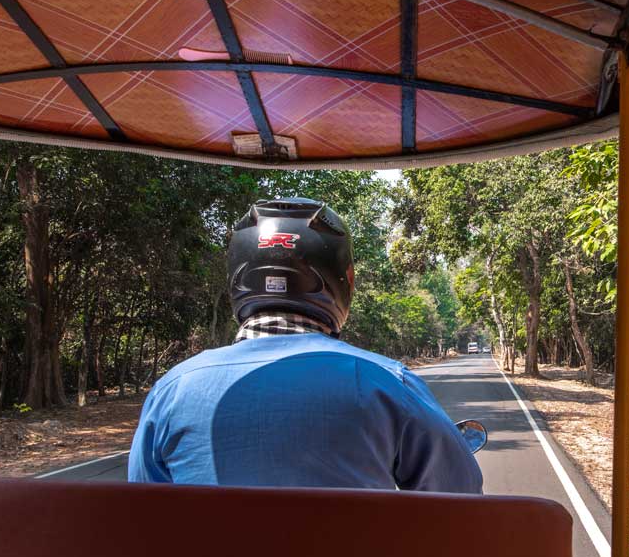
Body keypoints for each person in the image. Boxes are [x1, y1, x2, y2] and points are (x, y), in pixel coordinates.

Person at [128, 197, 483, 493]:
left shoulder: (172, 391)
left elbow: (145, 516)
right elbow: (459, 501)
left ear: (237, 277)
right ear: (345, 280)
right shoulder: (389, 383)